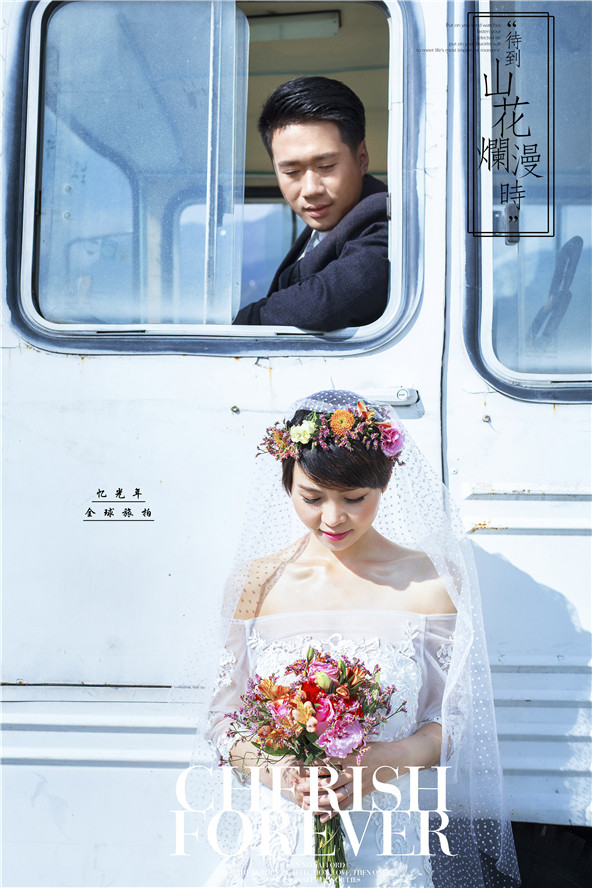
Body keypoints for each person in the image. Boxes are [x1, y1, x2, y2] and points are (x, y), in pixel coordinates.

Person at [202, 391, 521, 888]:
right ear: (287, 484)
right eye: (312, 498)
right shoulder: (255, 582)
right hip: (277, 852)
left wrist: (382, 762)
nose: (333, 518)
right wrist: (283, 774)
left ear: (384, 483)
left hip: (387, 850)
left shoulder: (431, 581)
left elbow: (454, 722)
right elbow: (222, 720)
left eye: (354, 499)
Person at [233, 78, 389, 330]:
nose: (310, 189)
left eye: (326, 167)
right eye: (291, 172)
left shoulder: (384, 218)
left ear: (362, 158)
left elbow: (319, 305)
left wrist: (244, 323)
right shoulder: (321, 229)